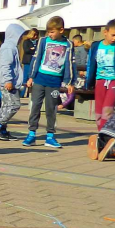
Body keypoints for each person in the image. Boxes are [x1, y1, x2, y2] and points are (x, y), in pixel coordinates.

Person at [24, 16, 76, 148]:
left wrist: (69, 82)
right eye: (48, 31)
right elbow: (36, 59)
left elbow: (70, 63)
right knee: (35, 106)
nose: (49, 34)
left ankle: (50, 136)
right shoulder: (43, 41)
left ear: (61, 30)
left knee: (51, 109)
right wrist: (31, 77)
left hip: (54, 82)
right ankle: (31, 134)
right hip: (40, 79)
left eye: (52, 32)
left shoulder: (68, 44)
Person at [0, 23, 27, 141]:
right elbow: (6, 65)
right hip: (7, 83)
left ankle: (2, 130)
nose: (21, 39)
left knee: (6, 107)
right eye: (20, 36)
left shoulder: (10, 46)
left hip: (8, 82)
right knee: (14, 105)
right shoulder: (9, 47)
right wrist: (8, 80)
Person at [20, 29, 39, 96]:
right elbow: (27, 50)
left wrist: (33, 49)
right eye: (34, 34)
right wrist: (33, 50)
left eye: (37, 35)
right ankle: (22, 93)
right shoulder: (26, 41)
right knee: (25, 77)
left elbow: (38, 50)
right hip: (28, 61)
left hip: (35, 62)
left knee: (33, 78)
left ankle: (29, 93)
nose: (36, 36)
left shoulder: (38, 42)